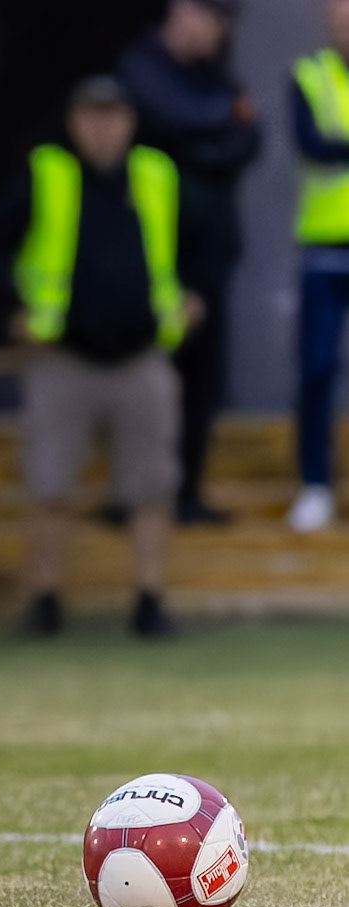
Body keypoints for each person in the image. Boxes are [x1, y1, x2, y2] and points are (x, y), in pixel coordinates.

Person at [0, 76, 203, 638]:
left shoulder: (157, 174)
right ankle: (44, 600)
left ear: (130, 121)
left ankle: (150, 601)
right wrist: (14, 308)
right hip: (64, 355)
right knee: (50, 484)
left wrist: (196, 297)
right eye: (92, 116)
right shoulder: (46, 172)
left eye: (114, 115)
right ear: (74, 121)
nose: (103, 128)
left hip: (142, 352)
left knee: (152, 488)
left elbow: (206, 237)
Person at [118, 0, 261, 527]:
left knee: (202, 381)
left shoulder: (216, 73)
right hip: (154, 262)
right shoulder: (141, 66)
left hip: (210, 258)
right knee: (143, 381)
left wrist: (214, 133)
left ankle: (186, 491)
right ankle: (133, 493)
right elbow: (173, 118)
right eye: (212, 17)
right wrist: (220, 125)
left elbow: (249, 136)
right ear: (182, 10)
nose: (219, 31)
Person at [287, 0, 349, 533]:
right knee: (316, 369)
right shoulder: (310, 77)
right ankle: (314, 485)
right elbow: (312, 145)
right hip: (325, 248)